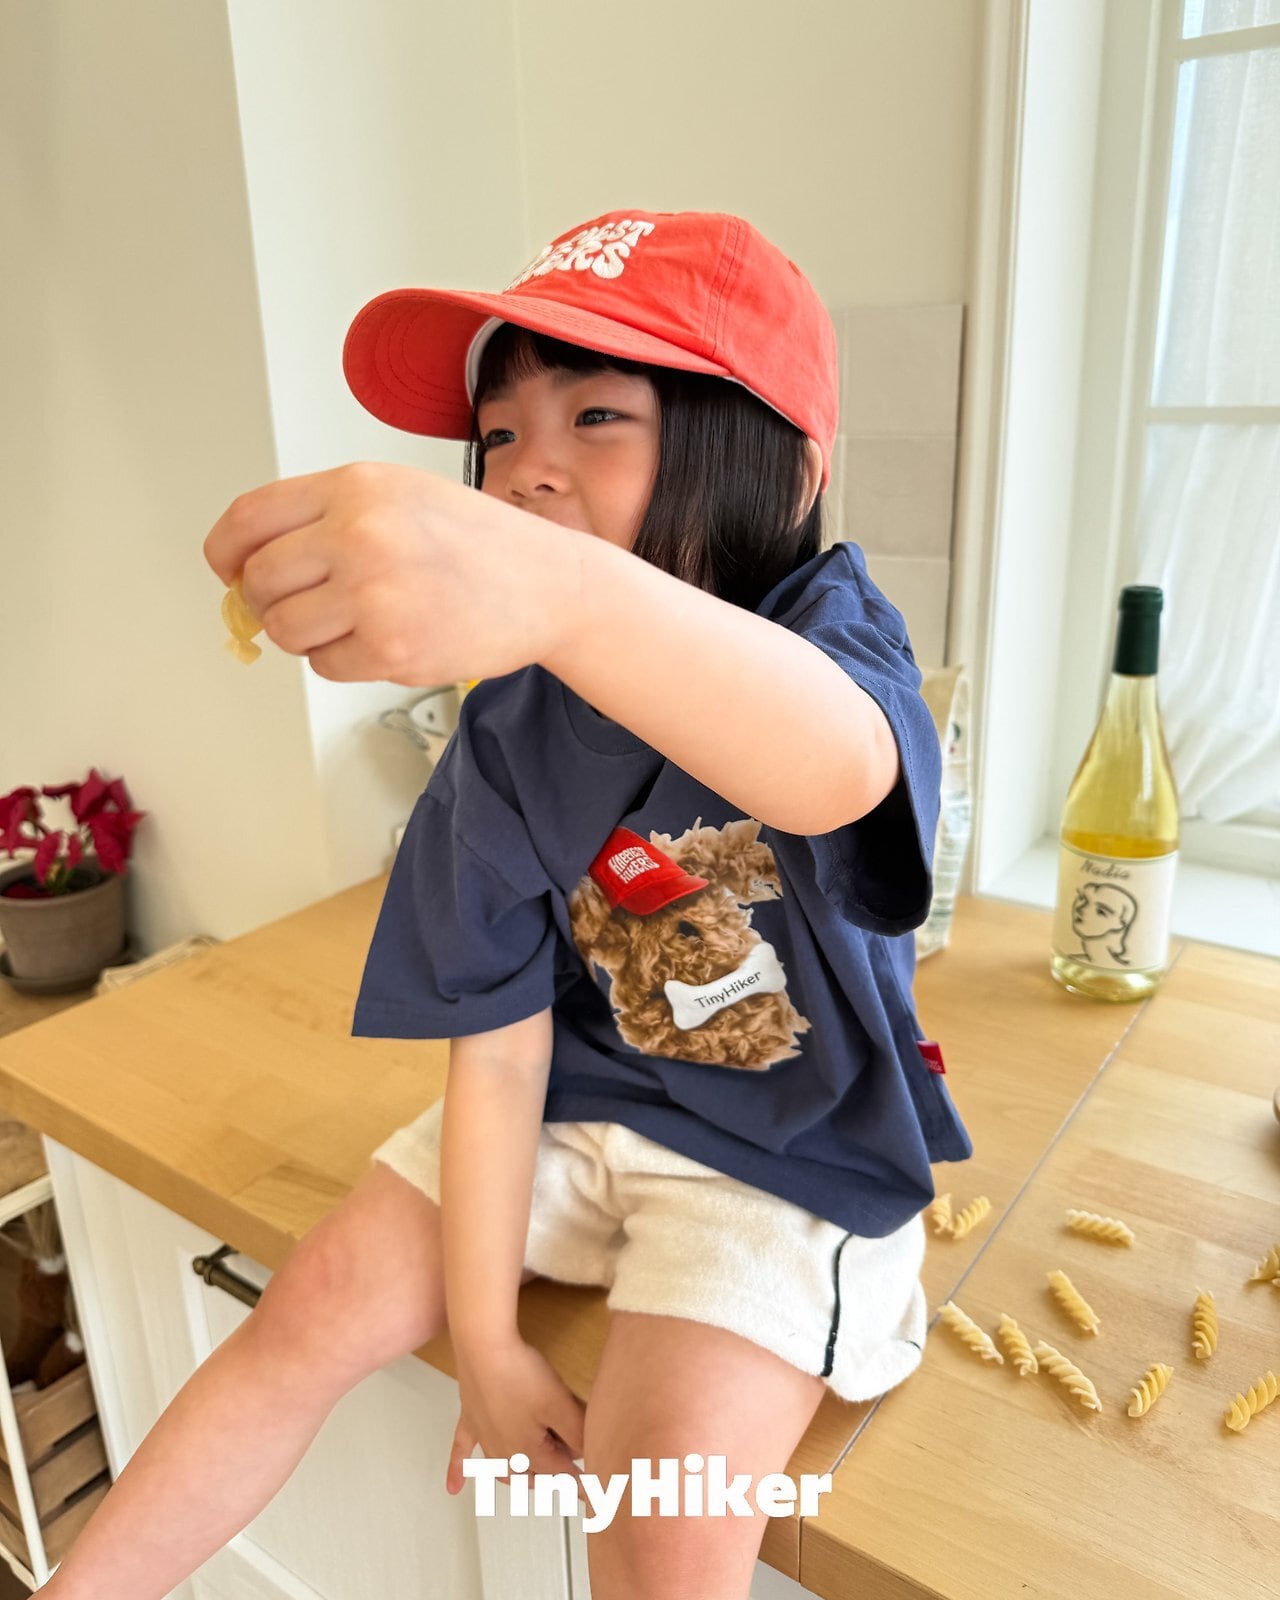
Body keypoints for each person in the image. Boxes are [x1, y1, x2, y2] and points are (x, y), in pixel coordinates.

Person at [38, 208, 973, 1600]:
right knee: (308, 1309)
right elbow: (499, 1047)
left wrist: (562, 593)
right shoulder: (506, 731)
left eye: (596, 415)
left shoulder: (828, 637)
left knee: (659, 1510)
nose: (526, 469)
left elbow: (837, 768)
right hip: (575, 1108)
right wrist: (485, 1342)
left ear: (786, 464)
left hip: (786, 1160)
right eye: (496, 436)